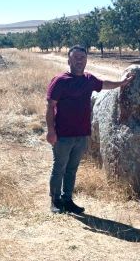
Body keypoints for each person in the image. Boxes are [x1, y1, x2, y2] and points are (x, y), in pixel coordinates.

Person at [46, 46, 133, 214]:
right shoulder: (60, 80)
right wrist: (51, 131)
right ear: (69, 60)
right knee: (59, 168)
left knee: (72, 169)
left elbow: (104, 84)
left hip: (81, 134)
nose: (79, 60)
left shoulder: (88, 79)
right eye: (76, 57)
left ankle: (67, 199)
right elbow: (50, 107)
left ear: (86, 60)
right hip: (62, 135)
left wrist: (122, 83)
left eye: (82, 57)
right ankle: (55, 201)